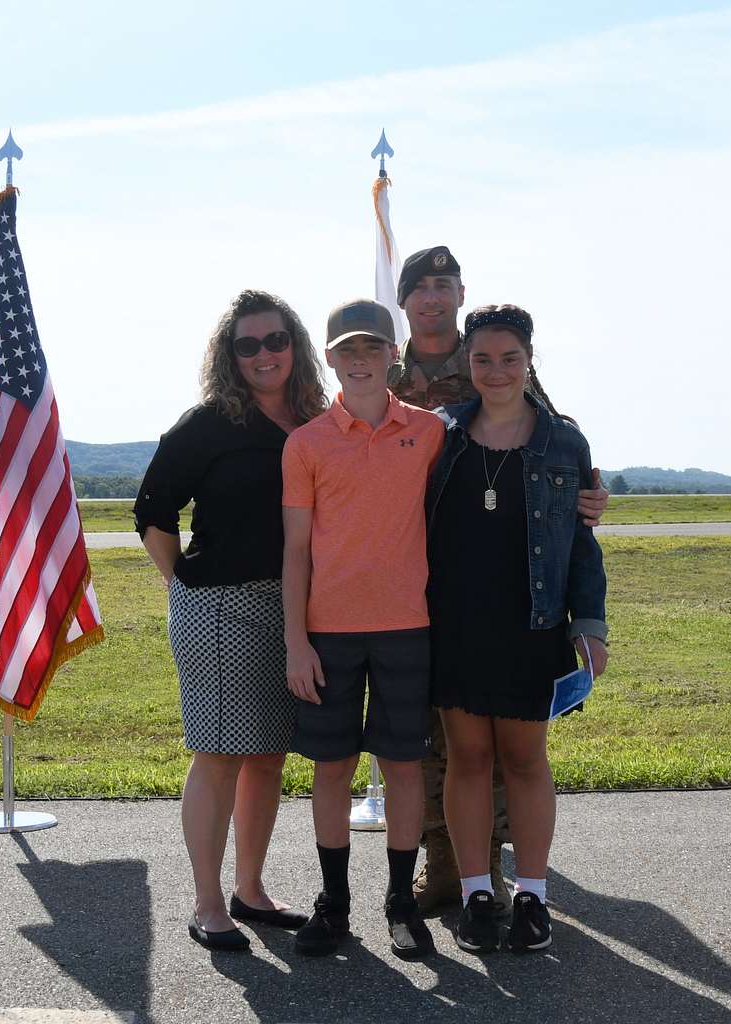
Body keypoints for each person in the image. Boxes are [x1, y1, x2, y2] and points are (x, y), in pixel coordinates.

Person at [389, 245, 608, 915]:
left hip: (527, 618)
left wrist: (589, 620)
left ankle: (517, 888)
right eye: (481, 359)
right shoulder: (427, 418)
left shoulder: (557, 436)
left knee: (518, 760)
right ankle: (467, 884)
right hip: (444, 616)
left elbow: (576, 528)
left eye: (508, 358)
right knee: (455, 757)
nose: (494, 370)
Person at [133, 289, 327, 951]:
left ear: (295, 346)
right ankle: (208, 902)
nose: (264, 354)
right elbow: (152, 513)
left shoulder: (315, 418)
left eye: (275, 340)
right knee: (217, 756)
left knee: (268, 757)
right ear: (229, 355)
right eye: (247, 344)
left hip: (294, 605)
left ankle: (251, 890)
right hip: (219, 606)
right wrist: (184, 584)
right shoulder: (207, 425)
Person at [282, 299, 445, 960]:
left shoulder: (431, 432)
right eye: (347, 350)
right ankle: (334, 904)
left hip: (409, 625)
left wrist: (583, 485)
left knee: (402, 766)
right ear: (328, 358)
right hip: (328, 633)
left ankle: (401, 903)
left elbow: (514, 434)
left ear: (391, 357)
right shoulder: (306, 444)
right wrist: (296, 640)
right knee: (332, 769)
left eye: (371, 349)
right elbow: (295, 551)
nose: (359, 361)